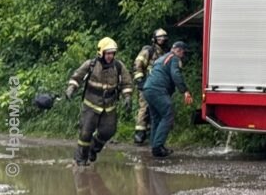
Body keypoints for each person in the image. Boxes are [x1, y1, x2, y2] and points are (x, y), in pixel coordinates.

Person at [65, 37, 133, 166]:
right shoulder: (90, 65)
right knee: (86, 133)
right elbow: (76, 77)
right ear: (101, 53)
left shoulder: (118, 66)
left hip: (109, 106)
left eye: (112, 53)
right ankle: (80, 159)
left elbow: (126, 83)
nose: (110, 56)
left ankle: (93, 149)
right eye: (108, 53)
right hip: (91, 104)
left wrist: (127, 97)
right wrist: (71, 89)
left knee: (108, 131)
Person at [143, 41, 193, 157]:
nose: (183, 55)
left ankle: (155, 145)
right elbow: (175, 74)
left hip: (148, 89)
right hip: (158, 90)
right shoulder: (174, 58)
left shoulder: (162, 58)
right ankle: (158, 147)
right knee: (168, 114)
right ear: (178, 50)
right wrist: (185, 91)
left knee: (156, 118)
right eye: (182, 52)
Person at [132, 28, 169, 145]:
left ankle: (151, 132)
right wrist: (140, 81)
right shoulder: (149, 51)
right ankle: (139, 133)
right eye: (159, 37)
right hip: (146, 84)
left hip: (158, 87)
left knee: (155, 109)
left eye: (164, 37)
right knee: (144, 107)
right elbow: (138, 65)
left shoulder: (165, 53)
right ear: (154, 39)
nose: (162, 39)